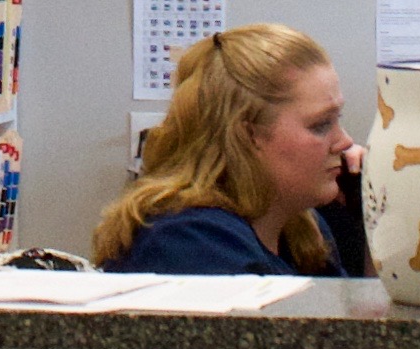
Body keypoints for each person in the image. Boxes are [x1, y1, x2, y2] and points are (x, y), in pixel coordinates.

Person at [94, 21, 370, 276]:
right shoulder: (189, 241)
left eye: (338, 119)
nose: (344, 141)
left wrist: (374, 216)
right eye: (321, 125)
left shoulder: (301, 228)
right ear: (248, 135)